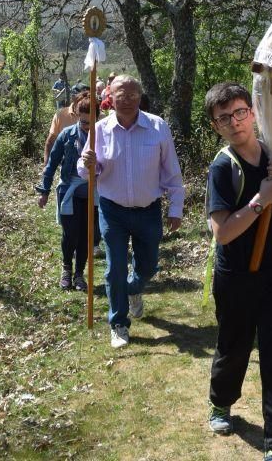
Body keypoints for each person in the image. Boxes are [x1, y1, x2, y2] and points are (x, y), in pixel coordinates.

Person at [203, 82, 272, 461]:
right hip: (236, 276)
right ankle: (220, 403)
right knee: (233, 348)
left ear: (252, 112)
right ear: (216, 126)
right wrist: (258, 202)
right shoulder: (223, 167)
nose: (234, 123)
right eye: (223, 118)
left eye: (239, 113)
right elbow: (222, 232)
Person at [78, 75, 184, 349]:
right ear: (109, 98)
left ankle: (135, 288)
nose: (126, 99)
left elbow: (171, 171)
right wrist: (88, 163)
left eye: (132, 94)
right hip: (113, 210)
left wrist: (176, 207)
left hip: (149, 210)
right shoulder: (99, 130)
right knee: (114, 268)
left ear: (140, 97)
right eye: (120, 94)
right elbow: (88, 170)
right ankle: (119, 323)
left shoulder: (157, 127)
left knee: (148, 266)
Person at [36, 96, 99, 291]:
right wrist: (44, 191)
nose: (87, 126)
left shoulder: (104, 136)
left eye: (91, 122)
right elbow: (52, 164)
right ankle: (66, 269)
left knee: (86, 236)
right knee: (70, 234)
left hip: (93, 194)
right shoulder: (67, 135)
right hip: (69, 192)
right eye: (83, 121)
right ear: (78, 116)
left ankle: (79, 273)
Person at [43, 90, 88, 164]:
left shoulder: (96, 115)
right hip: (67, 168)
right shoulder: (61, 115)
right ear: (74, 99)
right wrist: (46, 165)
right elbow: (50, 141)